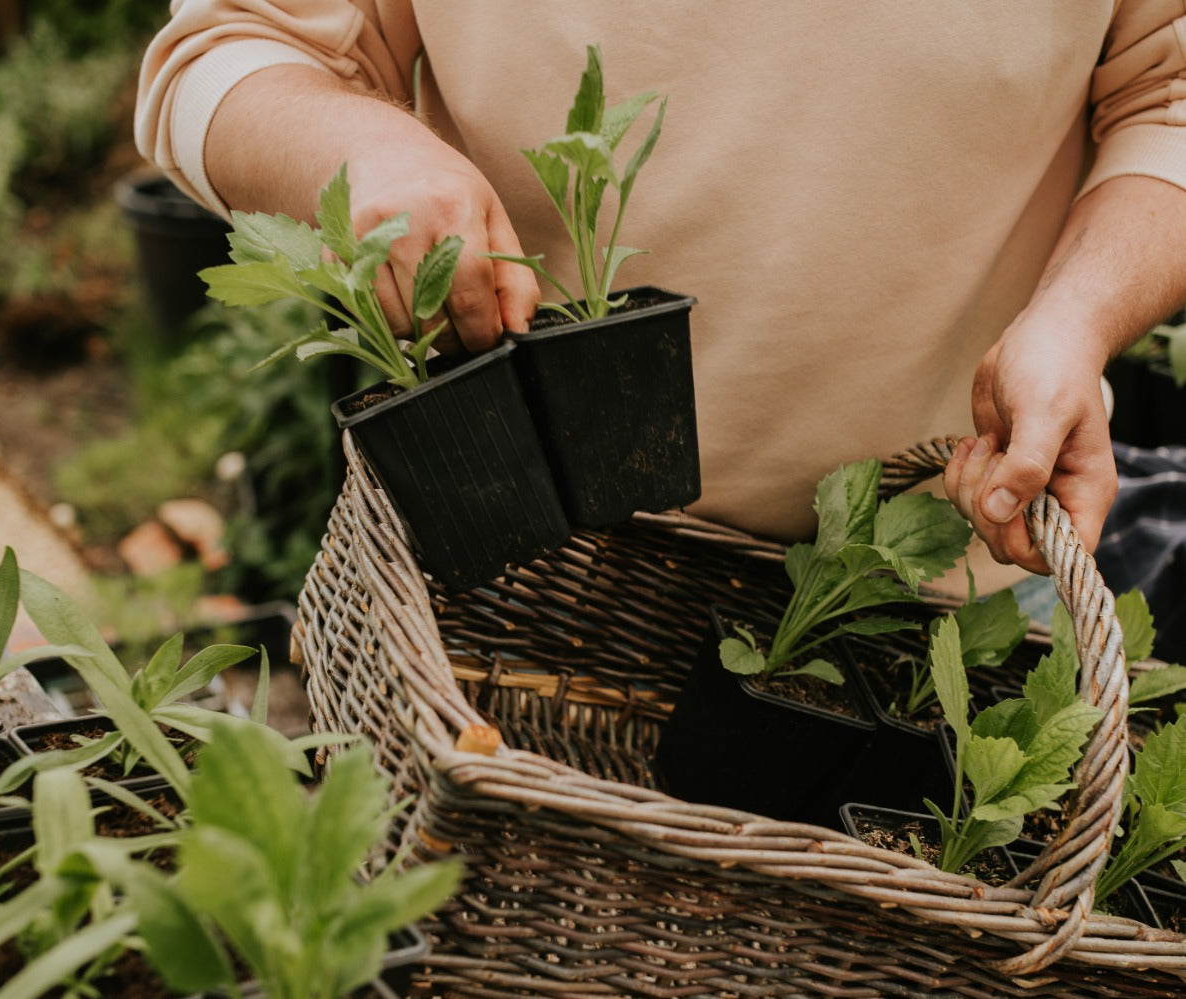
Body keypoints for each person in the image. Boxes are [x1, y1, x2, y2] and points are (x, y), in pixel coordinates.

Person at [134, 2, 1186, 608]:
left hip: (934, 592)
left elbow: (1166, 90)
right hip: (505, 581)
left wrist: (1080, 314)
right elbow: (219, 50)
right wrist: (364, 153)